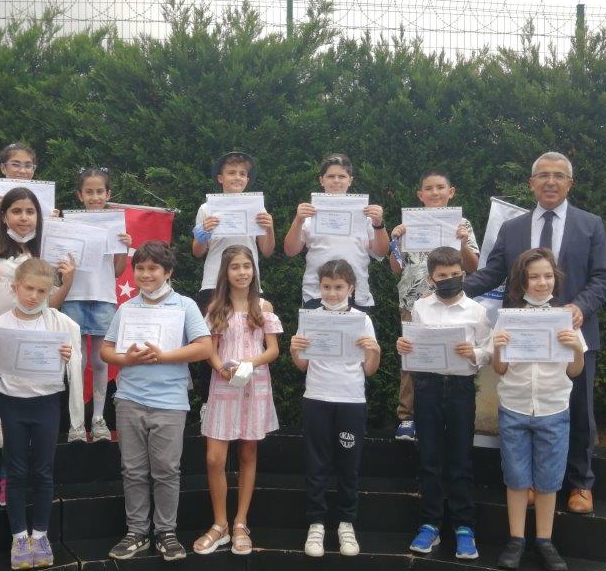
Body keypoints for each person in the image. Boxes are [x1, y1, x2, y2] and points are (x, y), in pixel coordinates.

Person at [464, 152, 606, 514]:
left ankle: (580, 484)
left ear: (569, 184)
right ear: (531, 184)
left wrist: (580, 307)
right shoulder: (513, 228)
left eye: (558, 176)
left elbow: (602, 277)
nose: (550, 181)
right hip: (523, 338)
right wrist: (450, 291)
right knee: (524, 409)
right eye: (543, 175)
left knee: (579, 410)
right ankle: (528, 483)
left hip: (573, 335)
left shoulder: (590, 225)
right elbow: (492, 272)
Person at [100, 241, 212, 561]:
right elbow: (106, 351)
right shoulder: (127, 308)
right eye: (140, 268)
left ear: (168, 272)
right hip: (129, 399)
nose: (146, 274)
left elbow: (204, 347)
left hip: (170, 402)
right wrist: (128, 359)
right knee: (133, 470)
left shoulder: (185, 306)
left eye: (153, 268)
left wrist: (163, 356)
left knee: (166, 470)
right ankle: (136, 532)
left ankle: (166, 532)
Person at [0, 188, 75, 508]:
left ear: (39, 218)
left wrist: (67, 281)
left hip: (30, 350)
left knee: (13, 422)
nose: (24, 218)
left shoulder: (44, 255)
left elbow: (49, 306)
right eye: (17, 211)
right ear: (4, 217)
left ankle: (8, 478)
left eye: (30, 212)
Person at [0, 258, 83, 570]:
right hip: (12, 403)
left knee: (43, 471)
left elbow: (71, 364)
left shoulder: (59, 324)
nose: (34, 296)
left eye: (41, 291)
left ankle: (40, 535)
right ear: (15, 287)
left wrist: (67, 357)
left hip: (46, 403)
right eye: (28, 288)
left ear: (49, 292)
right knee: (15, 471)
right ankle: (18, 538)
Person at [492, 248, 586, 571]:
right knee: (516, 477)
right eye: (534, 277)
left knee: (548, 479)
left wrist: (576, 348)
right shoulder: (507, 318)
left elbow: (575, 370)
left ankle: (545, 540)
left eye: (547, 276)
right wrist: (499, 347)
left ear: (555, 279)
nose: (541, 282)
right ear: (522, 281)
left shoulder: (565, 318)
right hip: (515, 406)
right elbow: (499, 369)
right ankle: (516, 539)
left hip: (553, 408)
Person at [395, 246, 490, 560]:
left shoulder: (476, 310)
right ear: (431, 278)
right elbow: (414, 347)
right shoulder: (421, 307)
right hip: (428, 387)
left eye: (454, 274)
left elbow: (488, 349)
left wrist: (475, 353)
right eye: (442, 275)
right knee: (430, 458)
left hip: (461, 388)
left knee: (461, 459)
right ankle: (430, 523)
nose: (449, 279)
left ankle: (464, 526)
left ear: (462, 273)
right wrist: (403, 346)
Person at [193, 246, 282, 556]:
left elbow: (273, 350)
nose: (242, 272)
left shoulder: (264, 306)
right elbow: (210, 349)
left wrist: (249, 363)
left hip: (254, 387)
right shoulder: (217, 308)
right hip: (223, 386)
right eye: (235, 267)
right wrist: (222, 369)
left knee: (247, 452)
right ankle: (220, 524)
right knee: (214, 458)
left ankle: (240, 522)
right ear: (225, 272)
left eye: (247, 266)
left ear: (253, 270)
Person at [289, 259, 381, 558]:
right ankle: (316, 523)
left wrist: (375, 351)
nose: (331, 293)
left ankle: (346, 523)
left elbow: (369, 370)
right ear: (319, 287)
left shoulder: (361, 320)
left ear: (351, 288)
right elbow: (302, 365)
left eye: (338, 287)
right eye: (326, 286)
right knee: (316, 463)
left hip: (351, 399)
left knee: (348, 464)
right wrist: (294, 350)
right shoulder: (310, 318)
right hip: (316, 397)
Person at [390, 170, 480, 442]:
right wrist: (396, 242)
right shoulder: (409, 223)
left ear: (451, 192)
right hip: (413, 302)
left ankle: (445, 414)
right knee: (411, 356)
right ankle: (407, 416)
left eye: (440, 187)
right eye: (428, 188)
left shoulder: (462, 223)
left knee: (452, 355)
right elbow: (396, 268)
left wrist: (462, 242)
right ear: (420, 195)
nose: (435, 192)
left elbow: (473, 266)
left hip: (451, 301)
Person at [191, 152, 275, 419]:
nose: (237, 177)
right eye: (231, 172)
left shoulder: (258, 208)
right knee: (212, 343)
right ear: (220, 178)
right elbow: (197, 251)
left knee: (250, 342)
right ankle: (208, 403)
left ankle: (248, 404)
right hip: (213, 283)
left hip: (248, 284)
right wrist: (203, 232)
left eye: (242, 173)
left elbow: (267, 250)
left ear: (247, 179)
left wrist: (269, 227)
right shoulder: (207, 208)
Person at [61, 168, 133, 442]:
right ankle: (77, 423)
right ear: (80, 195)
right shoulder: (70, 223)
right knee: (77, 361)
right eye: (89, 192)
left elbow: (118, 271)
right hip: (74, 296)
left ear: (108, 194)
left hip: (104, 297)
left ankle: (99, 419)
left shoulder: (115, 225)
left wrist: (124, 247)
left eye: (99, 191)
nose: (94, 197)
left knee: (101, 360)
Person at [283, 153, 390, 313]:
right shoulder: (309, 215)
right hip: (316, 293)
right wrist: (298, 220)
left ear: (350, 180)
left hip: (356, 293)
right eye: (331, 176)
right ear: (322, 180)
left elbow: (381, 251)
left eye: (342, 176)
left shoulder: (365, 216)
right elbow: (290, 250)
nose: (336, 181)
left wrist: (378, 224)